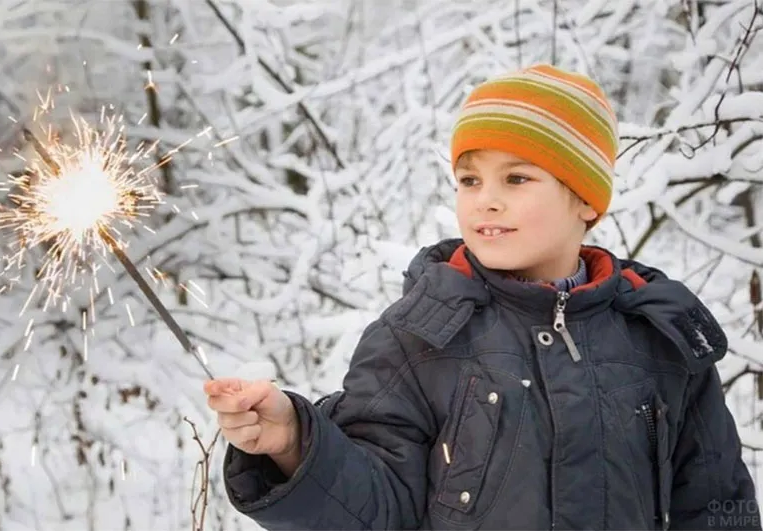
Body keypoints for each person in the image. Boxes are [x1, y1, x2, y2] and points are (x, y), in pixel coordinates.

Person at [203, 64, 759, 530]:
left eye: (516, 179)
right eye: (470, 180)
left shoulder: (659, 340)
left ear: (586, 199)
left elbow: (716, 503)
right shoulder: (417, 336)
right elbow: (376, 510)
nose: (485, 201)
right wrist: (295, 444)